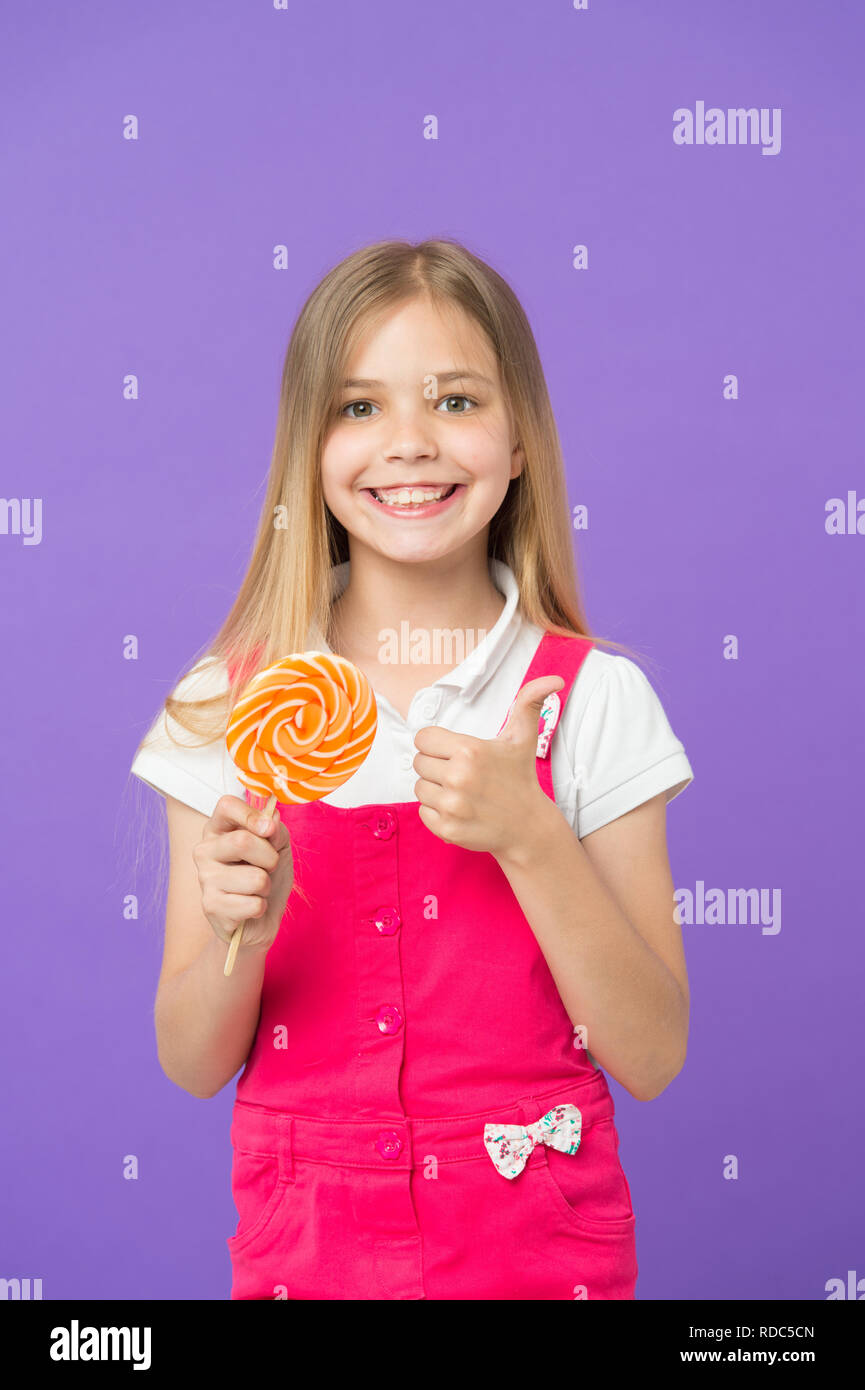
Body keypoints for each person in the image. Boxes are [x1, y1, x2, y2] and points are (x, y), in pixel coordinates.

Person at [131, 238, 694, 1300]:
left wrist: (529, 838)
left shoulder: (592, 697)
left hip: (534, 1256)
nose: (408, 445)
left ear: (520, 437)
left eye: (455, 401)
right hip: (311, 1256)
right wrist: (237, 927)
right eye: (358, 408)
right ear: (307, 447)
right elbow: (193, 1058)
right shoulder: (232, 706)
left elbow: (652, 1051)